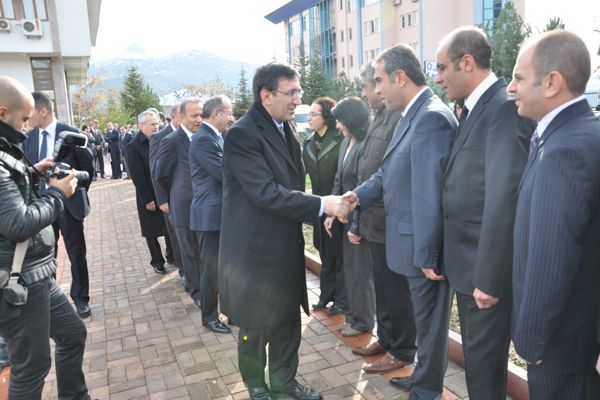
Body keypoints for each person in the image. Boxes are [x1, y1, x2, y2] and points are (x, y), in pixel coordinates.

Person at [218, 62, 348, 400]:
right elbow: (265, 192)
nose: (298, 100)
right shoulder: (243, 134)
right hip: (256, 252)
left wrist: (322, 210)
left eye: (298, 91)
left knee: (288, 321)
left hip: (284, 245)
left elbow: (290, 185)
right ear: (266, 95)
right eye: (291, 92)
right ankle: (257, 386)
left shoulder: (283, 127)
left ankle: (283, 383)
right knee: (256, 326)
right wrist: (322, 205)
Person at [343, 44, 454, 397]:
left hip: (422, 252)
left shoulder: (431, 117)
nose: (376, 89)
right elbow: (389, 173)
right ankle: (423, 379)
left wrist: (427, 254)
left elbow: (430, 195)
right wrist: (357, 195)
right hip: (408, 244)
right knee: (423, 323)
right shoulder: (412, 114)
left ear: (400, 77)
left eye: (379, 81)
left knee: (430, 326)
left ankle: (427, 391)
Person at [434, 26, 534, 399]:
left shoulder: (504, 108)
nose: (438, 76)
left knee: (485, 370)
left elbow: (504, 198)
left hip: (484, 271)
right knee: (478, 365)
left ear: (467, 62)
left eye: (442, 67)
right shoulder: (474, 108)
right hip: (468, 263)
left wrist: (490, 279)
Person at [508, 30, 600, 399]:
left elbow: (550, 262)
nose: (511, 87)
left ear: (551, 83)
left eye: (517, 77)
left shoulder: (564, 151)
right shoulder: (582, 133)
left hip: (560, 349)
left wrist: (531, 342)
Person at [0, 75, 90, 400]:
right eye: (23, 119)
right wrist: (56, 194)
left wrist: (32, 171)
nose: (26, 128)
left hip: (34, 274)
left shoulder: (5, 155)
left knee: (72, 334)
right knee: (32, 367)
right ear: (2, 112)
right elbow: (17, 223)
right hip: (17, 282)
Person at [348, 61, 418, 376]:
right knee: (384, 290)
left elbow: (390, 172)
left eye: (373, 84)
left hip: (390, 222)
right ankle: (387, 340)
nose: (371, 92)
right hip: (374, 222)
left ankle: (403, 349)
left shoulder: (399, 118)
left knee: (396, 292)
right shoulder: (380, 117)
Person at [24, 91, 95, 319]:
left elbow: (88, 171)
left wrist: (73, 189)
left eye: (30, 112)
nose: (27, 117)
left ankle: (81, 299)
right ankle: (50, 299)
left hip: (68, 206)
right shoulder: (29, 138)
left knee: (76, 253)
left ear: (42, 111)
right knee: (46, 255)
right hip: (42, 207)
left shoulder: (72, 134)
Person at [324, 97, 376, 338]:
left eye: (340, 121)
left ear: (352, 120)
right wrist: (332, 212)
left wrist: (355, 224)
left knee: (360, 274)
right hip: (344, 218)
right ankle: (354, 315)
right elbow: (339, 179)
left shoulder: (367, 144)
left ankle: (363, 321)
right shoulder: (346, 143)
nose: (337, 126)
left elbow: (365, 186)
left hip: (361, 220)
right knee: (351, 270)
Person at [189, 95, 233, 334]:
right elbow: (223, 173)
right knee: (211, 270)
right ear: (216, 113)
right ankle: (209, 316)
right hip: (209, 216)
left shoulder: (213, 136)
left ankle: (231, 311)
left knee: (224, 267)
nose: (231, 117)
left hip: (218, 215)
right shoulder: (204, 139)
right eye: (228, 112)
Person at [155, 98, 203, 308]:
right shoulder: (172, 141)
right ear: (181, 117)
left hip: (205, 206)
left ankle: (210, 287)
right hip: (184, 206)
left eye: (201, 114)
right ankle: (197, 292)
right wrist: (172, 195)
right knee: (190, 253)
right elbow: (161, 174)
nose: (199, 119)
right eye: (194, 115)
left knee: (206, 251)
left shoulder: (205, 137)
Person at [302, 96, 346, 317]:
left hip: (339, 205)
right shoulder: (308, 142)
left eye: (313, 114)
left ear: (326, 116)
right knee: (324, 252)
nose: (309, 118)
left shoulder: (340, 139)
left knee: (339, 254)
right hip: (319, 207)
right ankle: (326, 294)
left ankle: (342, 299)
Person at [126, 110, 173, 275]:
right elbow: (137, 176)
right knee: (151, 232)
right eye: (152, 124)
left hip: (164, 192)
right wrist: (147, 199)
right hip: (148, 194)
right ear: (141, 126)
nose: (156, 127)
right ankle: (157, 261)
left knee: (169, 227)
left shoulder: (162, 140)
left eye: (157, 123)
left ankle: (172, 255)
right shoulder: (133, 146)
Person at [149, 103, 183, 279]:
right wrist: (162, 199)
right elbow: (156, 171)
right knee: (176, 235)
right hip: (170, 196)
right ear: (175, 117)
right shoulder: (160, 137)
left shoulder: (194, 134)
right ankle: (184, 271)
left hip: (189, 195)